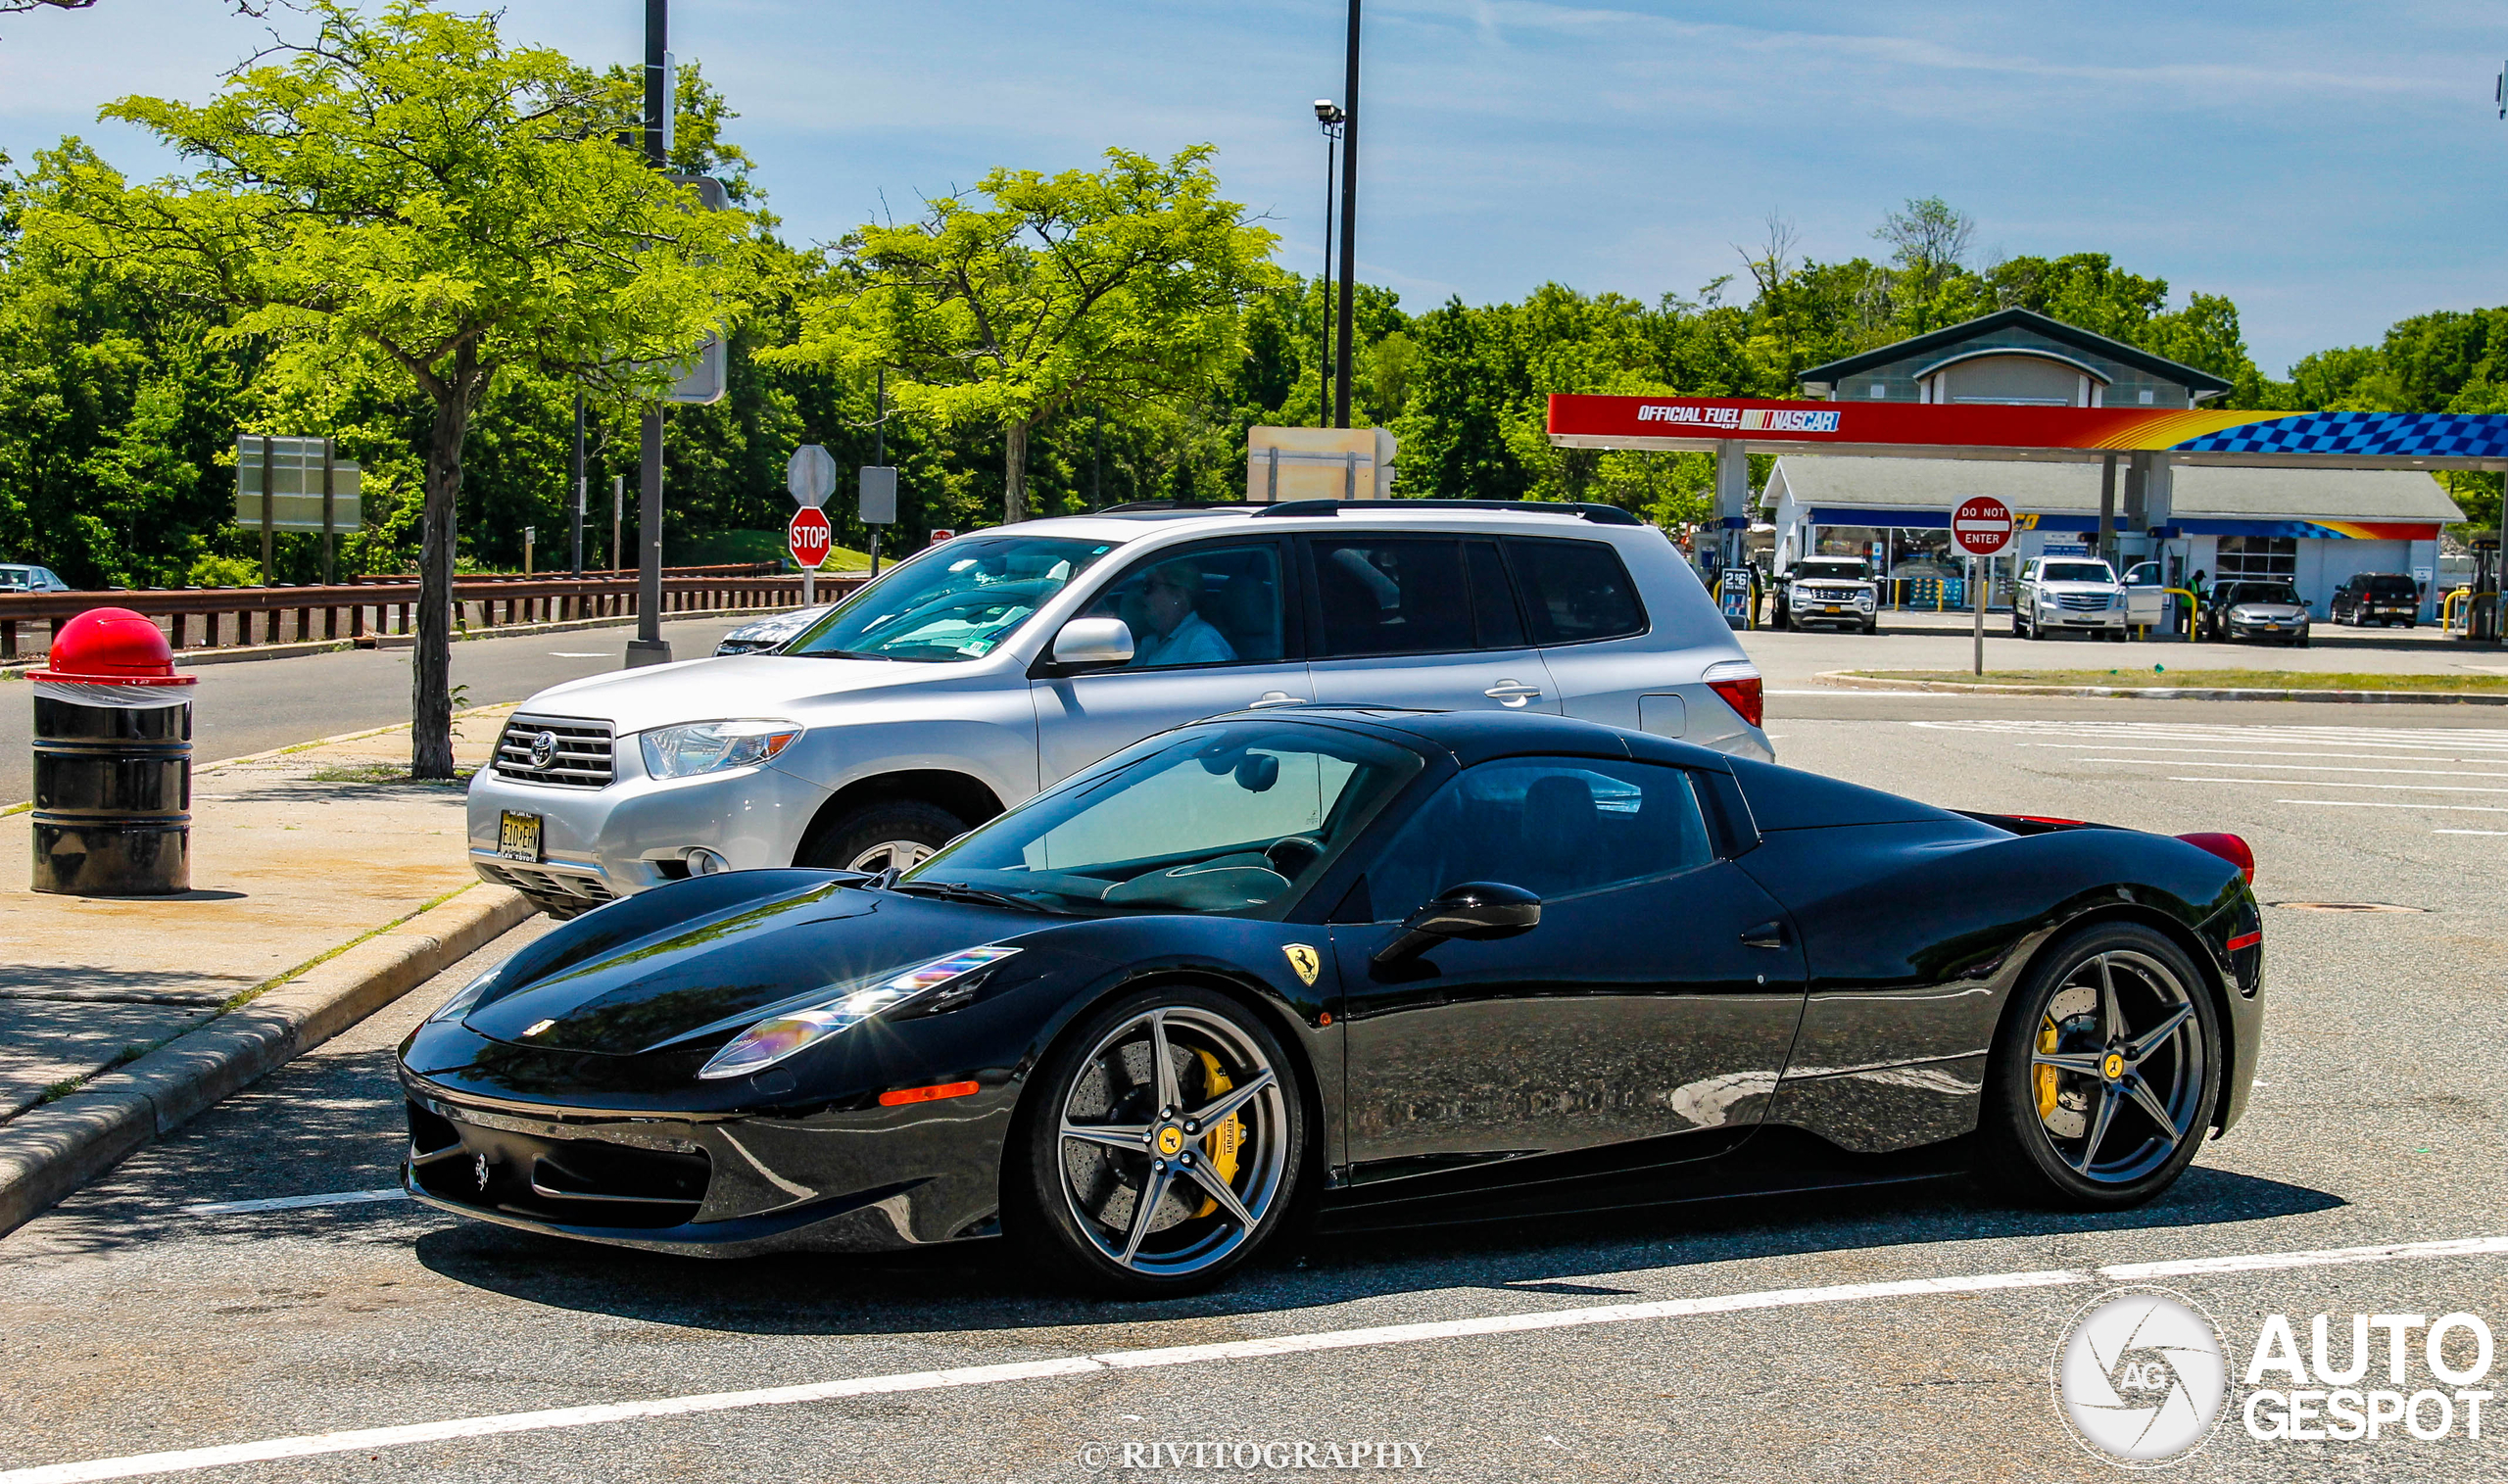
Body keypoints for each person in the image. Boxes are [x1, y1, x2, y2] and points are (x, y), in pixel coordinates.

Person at [1128, 560, 1235, 667]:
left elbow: (1215, 681)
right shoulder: (1152, 641)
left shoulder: (1201, 639)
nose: (1142, 595)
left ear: (1178, 596)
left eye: (1149, 586)